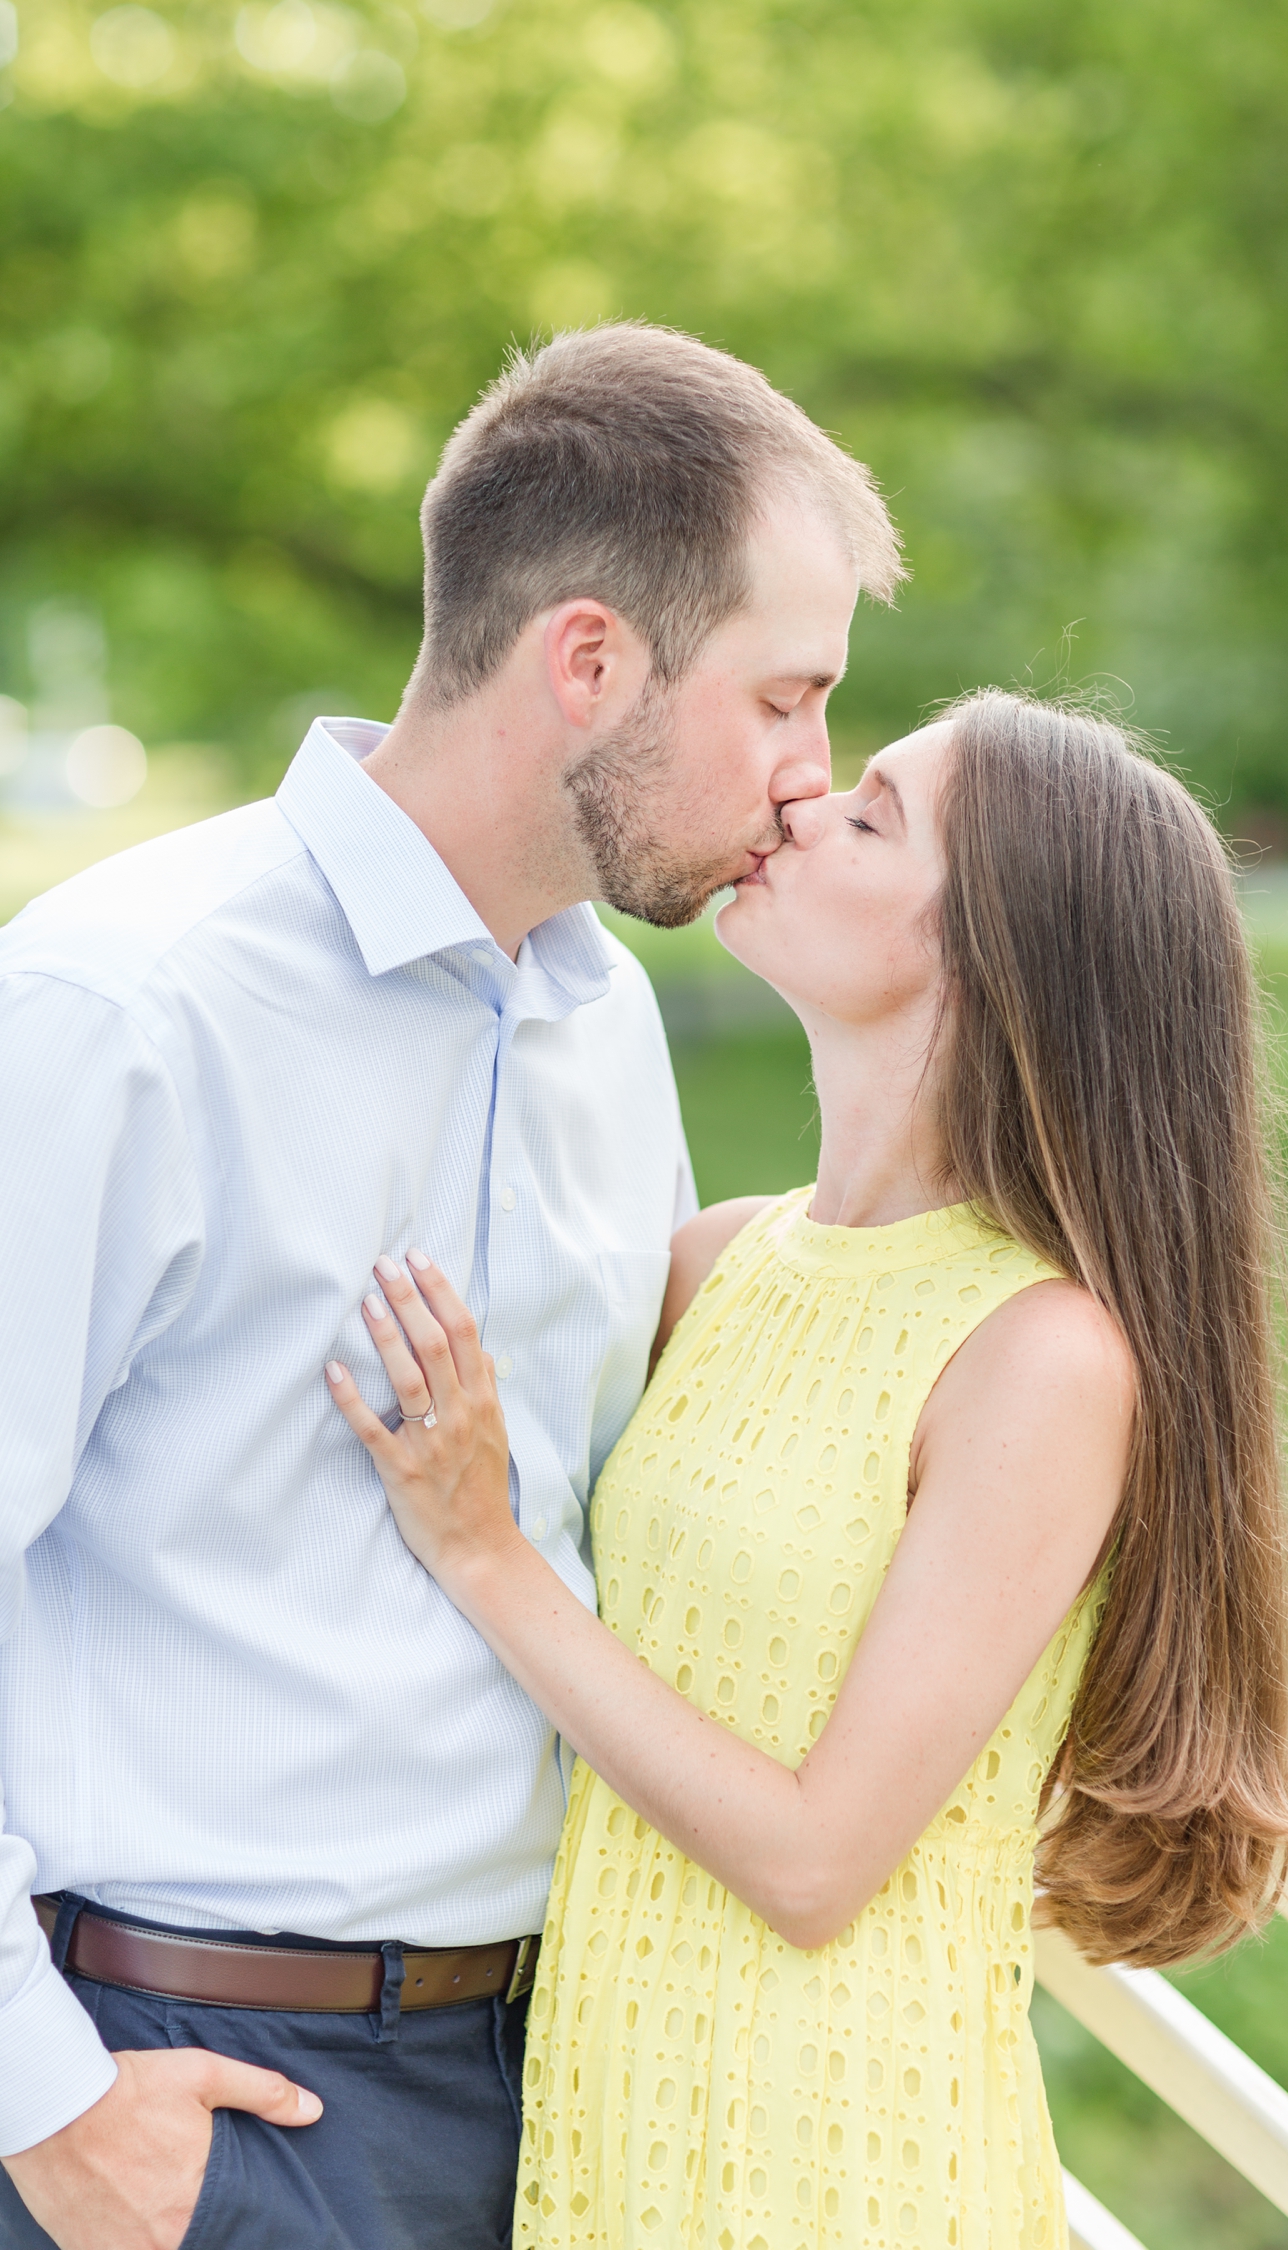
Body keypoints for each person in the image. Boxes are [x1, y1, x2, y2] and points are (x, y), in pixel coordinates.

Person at [0, 323, 902, 2250]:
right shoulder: (123, 1004)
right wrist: (47, 2101)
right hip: (189, 2094)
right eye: (784, 697)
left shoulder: (610, 1033)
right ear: (589, 661)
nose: (813, 775)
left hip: (555, 2085)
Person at [331, 690, 1288, 2249]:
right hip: (606, 2123)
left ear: (995, 951)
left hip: (832, 2160)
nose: (793, 804)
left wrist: (486, 1554)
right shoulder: (715, 1263)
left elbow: (813, 1859)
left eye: (872, 812)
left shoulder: (1037, 1355)